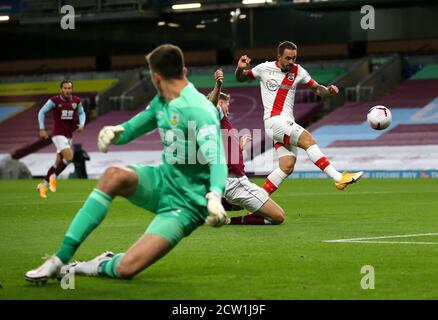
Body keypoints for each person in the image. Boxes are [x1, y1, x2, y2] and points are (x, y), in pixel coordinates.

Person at [25, 44, 229, 283]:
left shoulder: (198, 109)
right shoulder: (161, 101)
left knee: (125, 269)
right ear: (183, 70)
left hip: (188, 203)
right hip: (162, 181)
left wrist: (214, 196)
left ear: (156, 76)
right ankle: (59, 259)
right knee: (114, 175)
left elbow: (217, 158)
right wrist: (115, 132)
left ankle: (93, 265)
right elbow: (133, 128)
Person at [235, 41, 363, 196]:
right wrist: (240, 68)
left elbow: (317, 88)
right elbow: (240, 78)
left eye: (294, 58)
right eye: (287, 58)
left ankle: (257, 201)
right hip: (274, 121)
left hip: (285, 123)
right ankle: (339, 177)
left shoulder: (298, 71)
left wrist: (328, 91)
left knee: (287, 166)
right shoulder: (264, 68)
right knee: (308, 140)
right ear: (279, 56)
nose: (291, 62)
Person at [208, 69, 285, 225]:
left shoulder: (215, 127)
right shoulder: (215, 114)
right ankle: (228, 220)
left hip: (224, 181)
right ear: (220, 104)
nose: (228, 110)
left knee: (240, 204)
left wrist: (239, 148)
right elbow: (212, 105)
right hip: (235, 182)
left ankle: (210, 205)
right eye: (227, 105)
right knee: (278, 216)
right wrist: (218, 84)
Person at [37, 81, 86, 199]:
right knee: (69, 157)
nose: (67, 90)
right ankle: (53, 176)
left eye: (69, 88)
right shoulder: (54, 101)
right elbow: (41, 112)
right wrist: (42, 128)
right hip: (58, 134)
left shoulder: (76, 100)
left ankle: (43, 185)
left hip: (69, 135)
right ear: (61, 89)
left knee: (58, 162)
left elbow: (82, 113)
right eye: (65, 88)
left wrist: (82, 124)